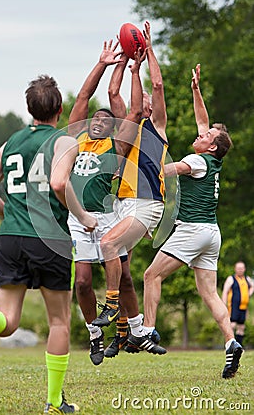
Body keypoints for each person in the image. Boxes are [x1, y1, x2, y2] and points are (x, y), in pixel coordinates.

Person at [0, 75, 97, 414]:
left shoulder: (10, 143)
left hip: (10, 238)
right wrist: (83, 217)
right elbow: (59, 182)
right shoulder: (64, 142)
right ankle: (53, 402)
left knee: (7, 320)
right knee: (60, 322)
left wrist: (13, 214)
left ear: (29, 109)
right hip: (48, 239)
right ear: (59, 110)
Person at [140, 63, 243, 379]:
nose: (203, 131)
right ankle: (231, 343)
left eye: (208, 134)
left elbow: (172, 171)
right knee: (210, 294)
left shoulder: (197, 160)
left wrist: (145, 166)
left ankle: (147, 330)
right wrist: (196, 90)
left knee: (151, 276)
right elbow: (203, 119)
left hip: (193, 230)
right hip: (212, 233)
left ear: (211, 145)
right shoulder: (212, 159)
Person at [67, 40, 146, 365]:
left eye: (105, 118)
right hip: (78, 219)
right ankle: (95, 334)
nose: (98, 119)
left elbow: (137, 111)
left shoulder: (116, 147)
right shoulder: (75, 138)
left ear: (113, 127)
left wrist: (132, 69)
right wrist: (103, 63)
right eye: (94, 118)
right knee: (83, 283)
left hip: (108, 218)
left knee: (125, 278)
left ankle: (131, 326)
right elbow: (84, 98)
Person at [92, 21, 168, 356]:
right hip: (123, 204)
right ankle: (130, 334)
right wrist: (122, 61)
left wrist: (146, 53)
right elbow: (112, 94)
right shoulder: (127, 128)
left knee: (108, 243)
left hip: (146, 203)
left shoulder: (157, 126)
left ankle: (110, 310)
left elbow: (157, 83)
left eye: (147, 100)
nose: (145, 99)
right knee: (122, 272)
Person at [222, 261, 254, 346]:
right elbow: (225, 291)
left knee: (241, 327)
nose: (240, 270)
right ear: (235, 269)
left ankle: (239, 346)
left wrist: (248, 294)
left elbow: (252, 286)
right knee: (232, 325)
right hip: (233, 306)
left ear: (244, 269)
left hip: (243, 307)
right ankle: (229, 345)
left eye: (241, 268)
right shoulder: (231, 279)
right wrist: (223, 305)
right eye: (238, 268)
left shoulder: (247, 279)